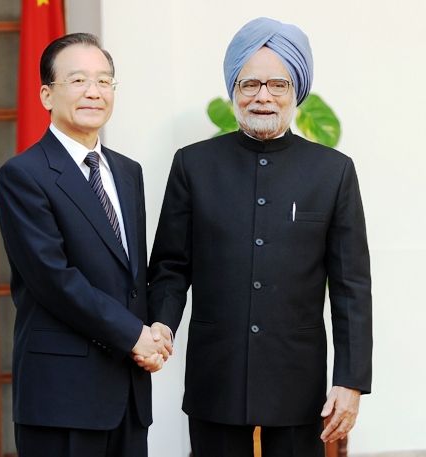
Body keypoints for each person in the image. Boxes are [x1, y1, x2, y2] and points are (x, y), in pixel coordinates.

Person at [147, 17, 372, 457]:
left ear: (296, 92)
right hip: (217, 376)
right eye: (249, 83)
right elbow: (171, 265)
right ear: (233, 89)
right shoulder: (193, 165)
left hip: (298, 380)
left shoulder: (333, 171)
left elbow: (351, 288)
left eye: (277, 84)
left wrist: (350, 381)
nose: (263, 96)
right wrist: (161, 325)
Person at [0, 33, 172, 457]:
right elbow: (53, 279)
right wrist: (134, 335)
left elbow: (133, 275)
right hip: (63, 397)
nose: (94, 92)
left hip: (128, 395)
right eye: (77, 81)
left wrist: (160, 329)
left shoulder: (128, 173)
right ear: (46, 95)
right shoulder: (24, 175)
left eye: (104, 81)